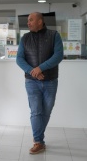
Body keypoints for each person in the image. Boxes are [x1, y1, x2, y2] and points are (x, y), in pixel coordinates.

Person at [16, 12, 64, 154]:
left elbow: (58, 56)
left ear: (40, 21)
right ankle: (38, 141)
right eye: (28, 20)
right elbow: (19, 59)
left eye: (31, 20)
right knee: (36, 111)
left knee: (47, 111)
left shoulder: (54, 35)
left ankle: (39, 138)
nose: (28, 22)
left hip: (50, 81)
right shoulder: (25, 38)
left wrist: (40, 68)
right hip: (31, 82)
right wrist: (32, 71)